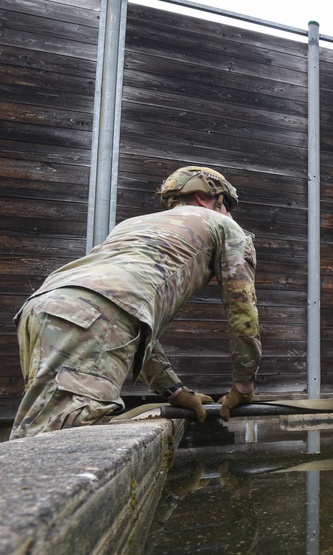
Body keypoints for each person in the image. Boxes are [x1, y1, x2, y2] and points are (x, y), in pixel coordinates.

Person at [9, 166, 261, 440]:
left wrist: (174, 392)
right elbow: (242, 312)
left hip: (42, 306)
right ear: (204, 197)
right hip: (95, 312)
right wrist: (243, 386)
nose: (229, 213)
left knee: (38, 424)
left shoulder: (131, 225)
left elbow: (131, 321)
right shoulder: (224, 226)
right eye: (227, 205)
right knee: (64, 438)